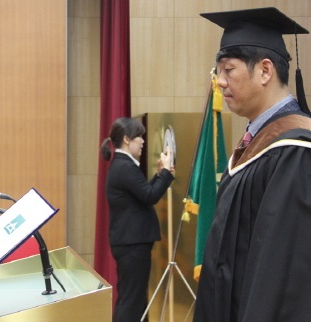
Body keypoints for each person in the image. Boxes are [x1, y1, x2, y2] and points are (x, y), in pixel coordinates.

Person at [194, 7, 311, 322]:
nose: (219, 82)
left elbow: (279, 277)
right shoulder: (257, 142)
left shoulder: (295, 151)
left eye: (228, 69)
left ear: (264, 71)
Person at [100, 117, 174, 322]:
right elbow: (150, 196)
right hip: (132, 244)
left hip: (130, 243)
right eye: (139, 137)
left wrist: (161, 175)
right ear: (126, 139)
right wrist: (166, 173)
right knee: (132, 301)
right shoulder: (125, 166)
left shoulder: (123, 165)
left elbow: (142, 194)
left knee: (134, 299)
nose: (142, 141)